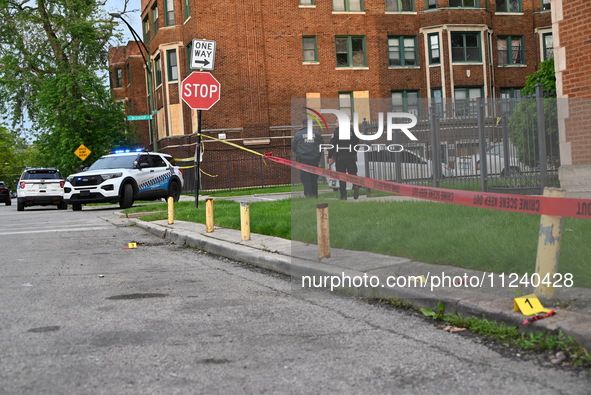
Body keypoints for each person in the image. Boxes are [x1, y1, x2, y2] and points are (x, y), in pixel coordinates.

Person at [291, 120, 323, 198]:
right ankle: (315, 195)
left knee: (305, 178)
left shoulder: (298, 135)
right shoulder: (317, 134)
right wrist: (317, 155)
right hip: (314, 159)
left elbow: (293, 147)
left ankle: (309, 195)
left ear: (302, 125)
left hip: (303, 159)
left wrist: (300, 153)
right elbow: (321, 146)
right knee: (314, 178)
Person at [327, 125, 360, 200]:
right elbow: (357, 144)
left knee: (342, 176)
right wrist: (353, 153)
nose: (335, 124)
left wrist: (330, 156)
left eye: (337, 122)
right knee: (353, 174)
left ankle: (343, 195)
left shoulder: (336, 132)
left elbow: (332, 145)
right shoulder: (352, 131)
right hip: (351, 157)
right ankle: (355, 185)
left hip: (340, 158)